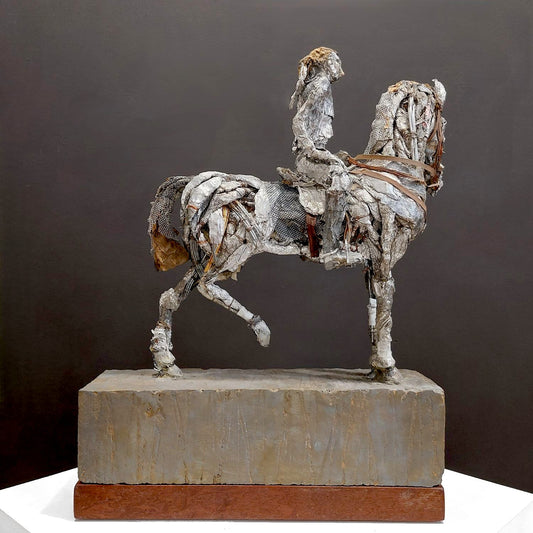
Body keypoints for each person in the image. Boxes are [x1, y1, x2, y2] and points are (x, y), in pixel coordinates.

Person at [288, 46, 351, 255]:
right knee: (340, 178)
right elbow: (298, 121)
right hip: (308, 157)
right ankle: (331, 246)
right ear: (326, 63)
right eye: (336, 62)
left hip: (315, 152)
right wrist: (313, 151)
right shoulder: (321, 84)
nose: (340, 70)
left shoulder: (319, 84)